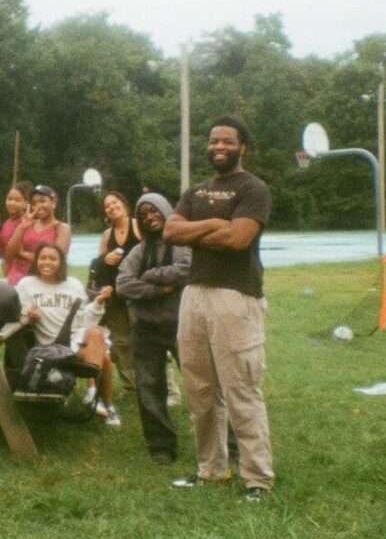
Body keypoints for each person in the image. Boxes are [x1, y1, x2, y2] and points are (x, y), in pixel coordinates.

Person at [164, 114, 274, 501]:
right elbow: (170, 231)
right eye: (213, 140)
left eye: (227, 141)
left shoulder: (253, 188)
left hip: (236, 296)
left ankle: (257, 479)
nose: (219, 147)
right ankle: (211, 469)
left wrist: (195, 231)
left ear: (242, 146)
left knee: (241, 389)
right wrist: (215, 223)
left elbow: (237, 240)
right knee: (200, 390)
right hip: (195, 294)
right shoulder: (195, 191)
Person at [116, 193, 190, 463]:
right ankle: (161, 446)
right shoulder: (138, 251)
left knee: (200, 385)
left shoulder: (183, 244)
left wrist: (151, 275)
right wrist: (160, 289)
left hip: (182, 325)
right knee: (149, 388)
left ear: (166, 210)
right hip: (145, 328)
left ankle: (220, 440)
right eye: (143, 214)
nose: (149, 217)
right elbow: (123, 285)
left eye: (154, 210)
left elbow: (188, 269)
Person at [16, 243, 120, 426]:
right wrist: (28, 314)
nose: (47, 262)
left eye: (52, 258)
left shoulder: (73, 285)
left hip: (74, 342)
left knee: (96, 332)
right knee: (104, 357)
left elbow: (85, 320)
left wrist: (98, 302)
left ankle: (94, 396)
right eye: (42, 258)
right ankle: (101, 401)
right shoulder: (27, 284)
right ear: (36, 261)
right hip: (50, 347)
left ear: (61, 262)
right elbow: (17, 312)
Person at [96, 191, 141, 393]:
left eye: (114, 202)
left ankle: (163, 385)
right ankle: (130, 385)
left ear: (124, 204)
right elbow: (98, 264)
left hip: (140, 292)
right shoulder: (107, 235)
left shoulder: (138, 226)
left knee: (146, 339)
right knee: (121, 341)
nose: (111, 207)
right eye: (107, 206)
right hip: (116, 294)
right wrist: (105, 259)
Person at [5, 185, 71, 285]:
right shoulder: (27, 224)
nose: (38, 206)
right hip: (17, 279)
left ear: (53, 202)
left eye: (42, 201)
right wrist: (22, 227)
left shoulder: (62, 228)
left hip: (43, 281)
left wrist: (23, 253)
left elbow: (56, 258)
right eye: (34, 203)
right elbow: (10, 253)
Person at [0, 181, 32, 275]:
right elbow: (0, 254)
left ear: (26, 203)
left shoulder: (30, 224)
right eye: (9, 199)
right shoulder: (6, 224)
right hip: (10, 276)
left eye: (17, 200)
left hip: (26, 275)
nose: (12, 203)